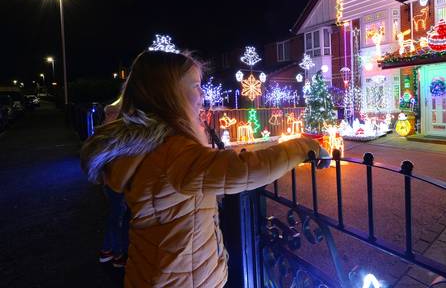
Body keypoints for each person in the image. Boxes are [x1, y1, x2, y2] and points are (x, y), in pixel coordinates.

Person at [80, 49, 328, 287]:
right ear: (168, 93)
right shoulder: (172, 152)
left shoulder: (146, 144)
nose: (202, 95)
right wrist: (305, 147)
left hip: (156, 274)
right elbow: (244, 171)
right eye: (195, 86)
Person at [98, 97, 130, 268]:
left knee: (117, 215)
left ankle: (110, 251)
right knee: (118, 216)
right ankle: (115, 253)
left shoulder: (105, 131)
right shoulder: (113, 132)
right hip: (114, 181)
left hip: (110, 180)